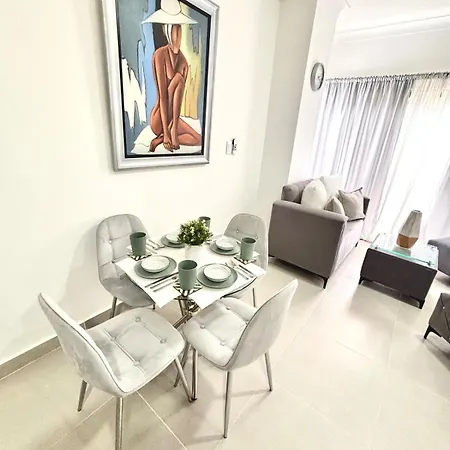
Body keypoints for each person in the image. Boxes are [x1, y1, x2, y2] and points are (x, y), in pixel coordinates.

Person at [148, 23, 202, 152]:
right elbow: (163, 97)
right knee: (178, 78)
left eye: (179, 31)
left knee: (198, 139)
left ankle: (160, 139)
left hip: (173, 119)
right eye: (174, 30)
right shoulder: (160, 55)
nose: (177, 36)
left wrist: (174, 125)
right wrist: (166, 133)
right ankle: (167, 134)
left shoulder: (183, 62)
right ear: (168, 32)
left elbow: (179, 99)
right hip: (159, 118)